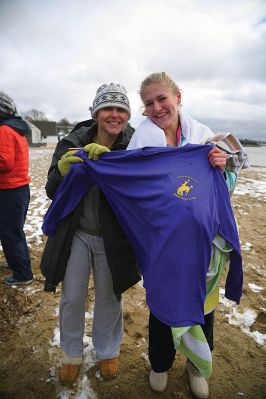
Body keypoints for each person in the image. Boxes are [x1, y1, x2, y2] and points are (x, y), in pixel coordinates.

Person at [127, 72, 238, 399]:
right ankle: (160, 363)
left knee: (203, 309)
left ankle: (196, 366)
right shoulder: (140, 143)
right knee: (163, 306)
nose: (157, 107)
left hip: (204, 244)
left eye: (162, 98)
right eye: (149, 103)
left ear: (178, 97)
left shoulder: (204, 137)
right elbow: (131, 191)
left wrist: (224, 166)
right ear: (144, 109)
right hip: (161, 246)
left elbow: (226, 190)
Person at [41, 83, 140, 385]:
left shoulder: (136, 145)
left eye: (121, 109)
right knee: (72, 296)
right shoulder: (72, 141)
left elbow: (147, 189)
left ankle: (107, 350)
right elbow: (51, 190)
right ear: (96, 113)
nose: (114, 114)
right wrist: (61, 170)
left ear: (127, 115)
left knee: (111, 297)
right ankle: (71, 353)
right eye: (107, 108)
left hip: (115, 237)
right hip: (77, 233)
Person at [0, 92, 33, 286]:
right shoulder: (15, 129)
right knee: (11, 230)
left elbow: (4, 162)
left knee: (11, 232)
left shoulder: (4, 130)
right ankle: (16, 262)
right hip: (17, 188)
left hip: (9, 190)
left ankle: (22, 274)